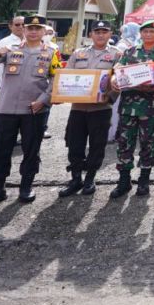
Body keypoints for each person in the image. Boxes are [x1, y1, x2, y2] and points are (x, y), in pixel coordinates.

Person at [0, 14, 60, 209]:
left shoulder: (52, 52)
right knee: (1, 150)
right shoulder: (10, 50)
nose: (33, 31)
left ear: (43, 31)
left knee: (31, 150)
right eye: (29, 28)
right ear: (23, 30)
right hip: (7, 108)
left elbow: (56, 80)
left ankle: (26, 186)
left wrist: (43, 101)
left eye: (37, 29)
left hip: (33, 109)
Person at [57, 21, 119, 198]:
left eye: (104, 32)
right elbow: (66, 76)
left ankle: (90, 178)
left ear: (110, 34)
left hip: (101, 108)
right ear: (91, 34)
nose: (100, 35)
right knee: (74, 143)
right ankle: (75, 178)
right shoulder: (79, 53)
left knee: (97, 145)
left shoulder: (117, 55)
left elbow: (118, 81)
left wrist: (110, 97)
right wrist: (62, 94)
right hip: (78, 108)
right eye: (97, 32)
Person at [109, 19, 154, 198]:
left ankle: (144, 180)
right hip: (128, 106)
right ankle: (124, 180)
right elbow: (118, 68)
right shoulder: (130, 51)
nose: (148, 35)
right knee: (124, 143)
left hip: (149, 107)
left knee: (148, 143)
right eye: (145, 32)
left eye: (152, 31)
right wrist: (114, 79)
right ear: (140, 34)